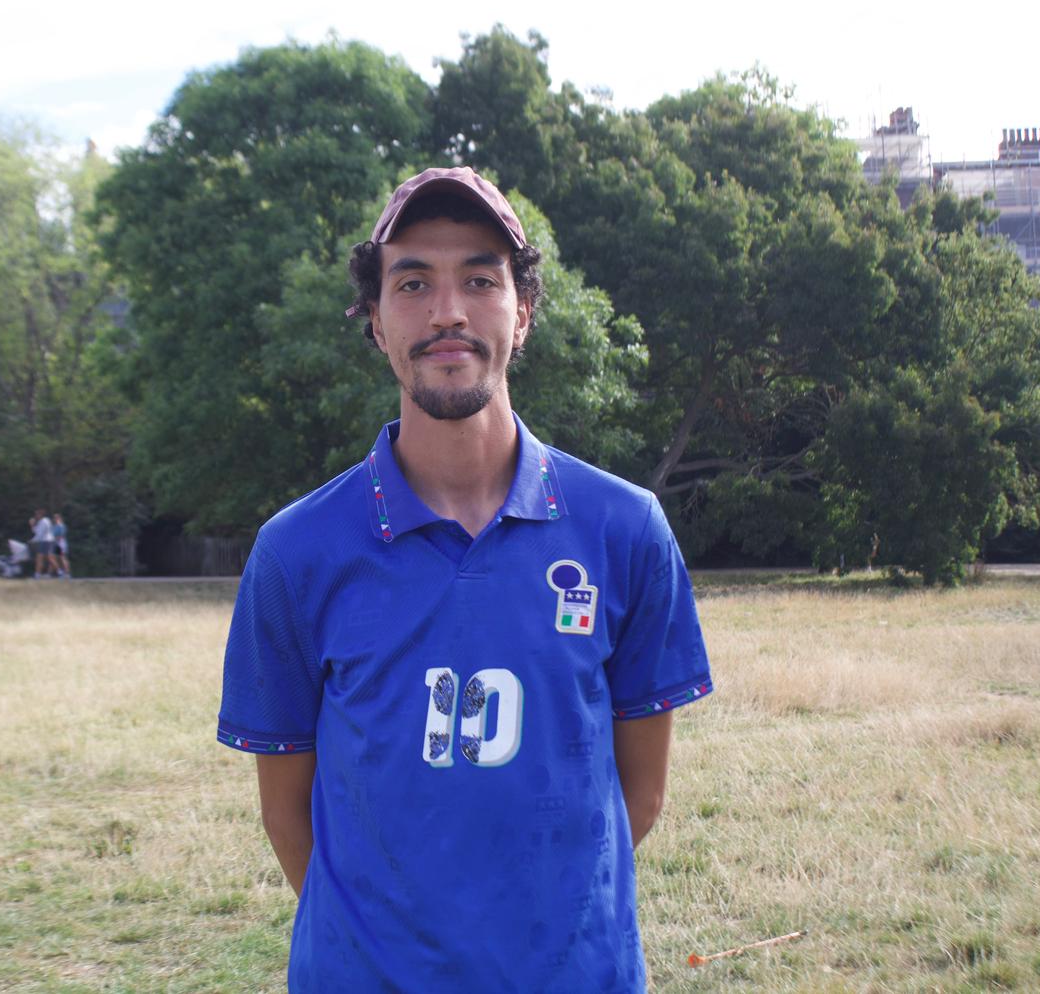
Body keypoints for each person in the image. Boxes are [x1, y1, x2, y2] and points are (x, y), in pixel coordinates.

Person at [216, 167, 713, 991]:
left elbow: (642, 795)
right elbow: (285, 814)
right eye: (412, 283)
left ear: (523, 312)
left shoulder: (625, 529)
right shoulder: (295, 552)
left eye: (480, 280)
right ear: (376, 321)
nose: (447, 311)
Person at [30, 509, 54, 577]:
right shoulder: (43, 521)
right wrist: (32, 525)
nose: (36, 516)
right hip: (47, 541)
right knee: (48, 558)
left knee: (40, 558)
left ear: (41, 515)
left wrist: (32, 540)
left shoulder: (43, 522)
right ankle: (59, 572)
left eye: (37, 514)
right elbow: (36, 531)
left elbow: (40, 534)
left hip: (45, 541)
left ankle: (37, 574)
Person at [52, 513, 71, 578]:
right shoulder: (54, 526)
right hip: (56, 543)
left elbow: (61, 535)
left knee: (62, 558)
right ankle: (61, 572)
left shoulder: (61, 525)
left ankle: (67, 573)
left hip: (61, 543)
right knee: (56, 558)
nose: (55, 519)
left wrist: (55, 539)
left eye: (57, 518)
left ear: (60, 518)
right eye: (54, 518)